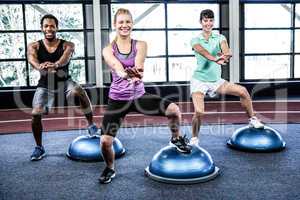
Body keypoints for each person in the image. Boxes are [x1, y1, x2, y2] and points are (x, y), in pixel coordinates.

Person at [99, 8, 192, 184]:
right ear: (114, 25)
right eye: (121, 22)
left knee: (174, 110)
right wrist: (125, 74)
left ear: (132, 24)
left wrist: (137, 73)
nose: (124, 25)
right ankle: (110, 168)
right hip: (118, 100)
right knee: (104, 141)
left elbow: (139, 64)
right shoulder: (107, 49)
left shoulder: (140, 44)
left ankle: (176, 138)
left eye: (128, 22)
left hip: (139, 96)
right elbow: (116, 66)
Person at [27, 14, 98, 161]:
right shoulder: (34, 45)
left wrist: (56, 64)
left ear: (57, 28)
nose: (49, 29)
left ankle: (91, 125)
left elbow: (65, 58)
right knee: (35, 114)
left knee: (78, 90)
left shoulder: (68, 44)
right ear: (42, 28)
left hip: (65, 82)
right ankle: (39, 147)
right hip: (45, 85)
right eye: (46, 26)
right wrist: (39, 65)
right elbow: (31, 58)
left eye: (52, 26)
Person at [189, 9, 264, 146]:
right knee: (199, 111)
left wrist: (225, 55)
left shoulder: (220, 38)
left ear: (213, 22)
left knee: (243, 91)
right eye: (205, 20)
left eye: (211, 20)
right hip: (199, 81)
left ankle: (252, 119)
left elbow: (226, 51)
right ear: (201, 22)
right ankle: (194, 138)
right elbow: (203, 52)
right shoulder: (195, 40)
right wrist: (215, 59)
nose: (208, 23)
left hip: (216, 81)